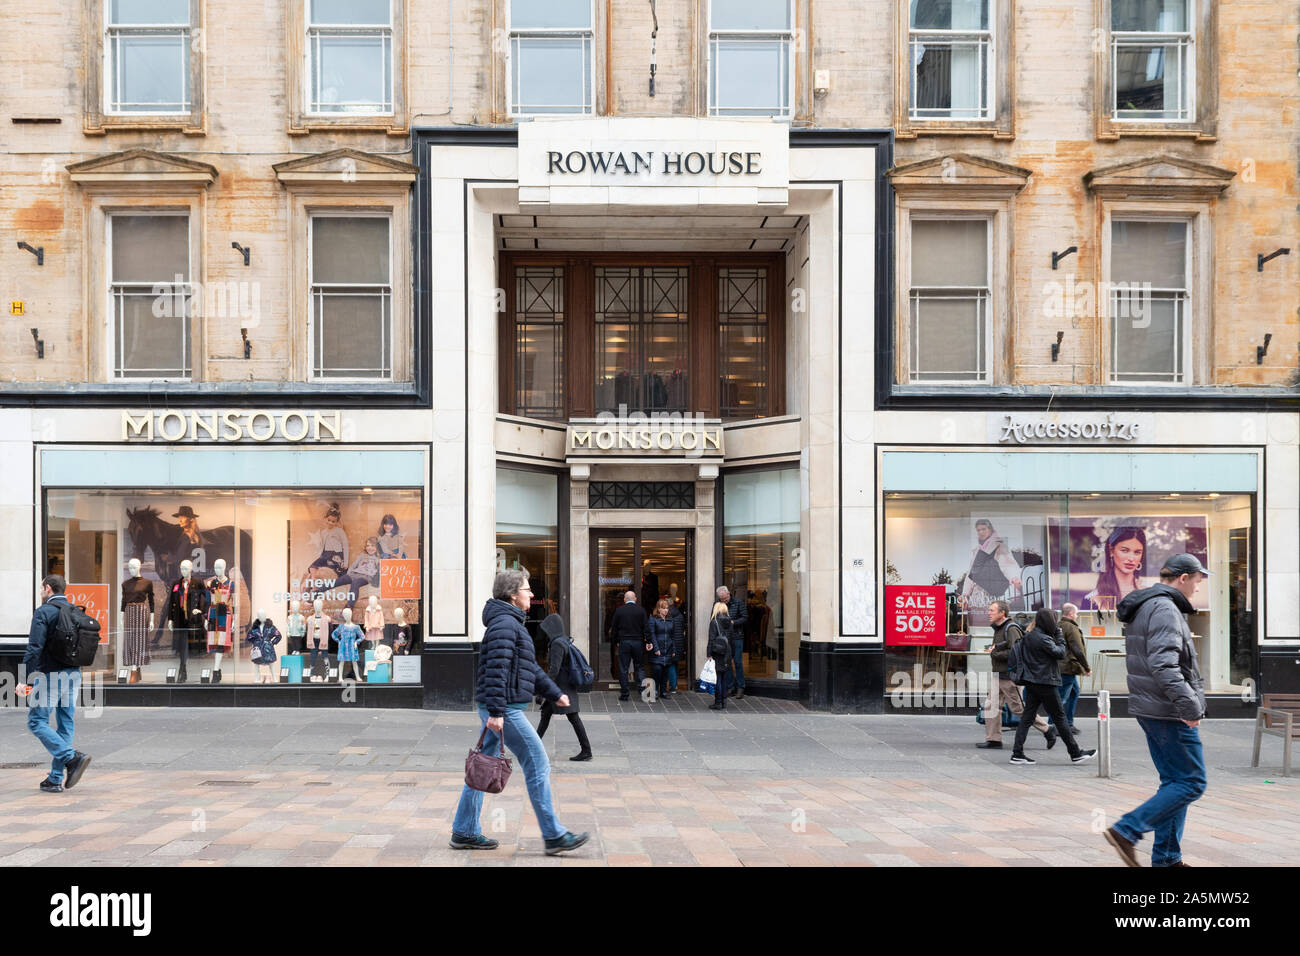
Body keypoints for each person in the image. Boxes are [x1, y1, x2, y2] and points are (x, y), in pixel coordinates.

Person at [449, 570, 589, 855]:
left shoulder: (510, 623)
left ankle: (464, 831)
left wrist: (555, 693)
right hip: (504, 710)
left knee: (483, 767)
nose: (532, 594)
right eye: (527, 589)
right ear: (513, 595)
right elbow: (496, 671)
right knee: (538, 763)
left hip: (499, 707)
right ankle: (553, 836)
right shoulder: (505, 625)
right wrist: (498, 712)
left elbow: (530, 668)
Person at [1105, 554, 1209, 868]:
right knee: (1191, 782)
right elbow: (1164, 665)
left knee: (1174, 782)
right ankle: (1127, 829)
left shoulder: (1150, 605)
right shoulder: (1165, 608)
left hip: (1153, 707)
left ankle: (1166, 858)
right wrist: (1189, 705)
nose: (1198, 585)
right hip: (1168, 710)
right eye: (1198, 579)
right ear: (1183, 578)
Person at [18, 575, 91, 794]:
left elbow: (34, 648)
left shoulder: (44, 612)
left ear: (48, 588)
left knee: (36, 721)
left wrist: (24, 679)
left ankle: (72, 757)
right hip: (74, 674)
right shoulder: (75, 610)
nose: (41, 591)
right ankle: (55, 778)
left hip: (51, 676)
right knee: (65, 723)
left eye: (41, 587)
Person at [1009, 609, 1096, 766]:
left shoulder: (1029, 636)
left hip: (1032, 681)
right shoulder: (1043, 639)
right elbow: (1061, 653)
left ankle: (1017, 753)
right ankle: (1075, 753)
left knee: (1027, 718)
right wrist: (1060, 636)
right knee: (1060, 717)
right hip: (1045, 682)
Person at [978, 599, 1054, 749]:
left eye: (992, 610)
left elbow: (1016, 651)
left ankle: (1047, 728)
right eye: (989, 610)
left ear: (1002, 613)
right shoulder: (999, 628)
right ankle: (994, 739)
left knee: (1018, 708)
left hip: (1010, 676)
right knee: (991, 706)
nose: (989, 613)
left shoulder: (1011, 628)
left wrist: (995, 653)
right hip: (998, 675)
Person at [536, 614, 592, 762]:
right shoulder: (564, 641)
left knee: (573, 717)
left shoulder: (557, 644)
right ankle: (533, 747)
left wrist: (543, 690)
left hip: (561, 688)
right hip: (563, 686)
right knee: (546, 715)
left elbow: (554, 670)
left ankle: (586, 751)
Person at [959, 519, 1023, 623]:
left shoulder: (998, 545)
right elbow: (971, 574)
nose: (981, 532)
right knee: (979, 620)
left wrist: (1014, 577)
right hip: (977, 596)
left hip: (991, 593)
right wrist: (965, 594)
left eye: (983, 529)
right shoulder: (978, 549)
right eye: (978, 530)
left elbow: (1007, 564)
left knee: (990, 619)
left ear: (990, 529)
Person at [1083, 526, 1147, 612]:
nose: (1131, 558)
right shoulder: (1092, 599)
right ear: (1111, 551)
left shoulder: (1148, 594)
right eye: (1125, 550)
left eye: (1137, 552)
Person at [609, 590, 649, 702]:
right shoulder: (641, 611)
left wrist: (615, 641)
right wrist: (648, 641)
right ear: (635, 599)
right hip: (638, 642)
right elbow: (646, 628)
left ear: (625, 599)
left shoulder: (619, 611)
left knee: (623, 668)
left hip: (624, 642)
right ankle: (642, 691)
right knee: (639, 667)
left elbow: (614, 628)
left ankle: (625, 694)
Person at [1058, 602, 1091, 733]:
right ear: (1071, 613)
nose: (1077, 616)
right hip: (1067, 667)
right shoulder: (1071, 628)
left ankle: (1068, 723)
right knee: (1062, 697)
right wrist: (1086, 667)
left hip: (1061, 667)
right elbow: (1078, 649)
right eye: (1076, 613)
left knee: (1073, 692)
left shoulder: (1058, 626)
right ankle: (1057, 725)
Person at [716, 585, 747, 699]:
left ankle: (741, 687)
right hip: (724, 638)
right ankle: (730, 687)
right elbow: (714, 617)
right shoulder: (718, 604)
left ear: (728, 594)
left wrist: (733, 622)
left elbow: (745, 617)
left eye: (725, 598)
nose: (724, 600)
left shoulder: (738, 602)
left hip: (737, 636)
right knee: (726, 663)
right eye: (722, 599)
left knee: (738, 662)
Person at [707, 602, 733, 711]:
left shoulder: (714, 622)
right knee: (723, 678)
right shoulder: (730, 622)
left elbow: (711, 640)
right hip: (727, 652)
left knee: (717, 678)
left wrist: (708, 654)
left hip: (718, 653)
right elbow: (731, 639)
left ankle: (718, 702)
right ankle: (724, 701)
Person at [647, 599, 675, 700]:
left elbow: (673, 636)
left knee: (665, 671)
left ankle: (663, 691)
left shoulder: (670, 620)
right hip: (658, 649)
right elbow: (652, 635)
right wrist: (656, 648)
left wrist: (674, 650)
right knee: (657, 670)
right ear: (658, 609)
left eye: (667, 608)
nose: (665, 610)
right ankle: (654, 690)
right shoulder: (653, 620)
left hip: (668, 649)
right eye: (663, 608)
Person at [666, 596, 687, 694]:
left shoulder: (667, 615)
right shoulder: (680, 614)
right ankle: (674, 684)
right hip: (679, 642)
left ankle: (673, 686)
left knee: (670, 664)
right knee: (674, 664)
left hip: (671, 642)